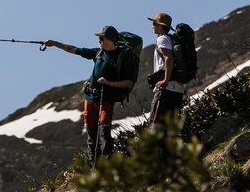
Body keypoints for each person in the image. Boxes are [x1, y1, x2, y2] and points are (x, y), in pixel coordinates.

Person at [44, 26, 135, 161]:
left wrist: (109, 83)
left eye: (102, 38)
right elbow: (74, 49)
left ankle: (107, 164)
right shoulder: (98, 53)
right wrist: (55, 43)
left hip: (106, 100)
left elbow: (129, 82)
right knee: (92, 136)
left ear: (110, 39)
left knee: (105, 133)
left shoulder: (123, 57)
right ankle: (94, 167)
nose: (99, 40)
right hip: (90, 98)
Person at [146, 12, 185, 126]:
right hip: (177, 90)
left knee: (155, 125)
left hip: (166, 89)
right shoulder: (171, 40)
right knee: (170, 127)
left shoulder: (162, 39)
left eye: (154, 23)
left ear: (159, 25)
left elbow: (169, 59)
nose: (152, 26)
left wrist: (165, 80)